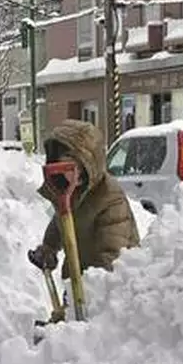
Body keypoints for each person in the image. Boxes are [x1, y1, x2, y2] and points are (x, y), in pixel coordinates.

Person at [27, 119, 139, 279]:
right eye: (67, 167)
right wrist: (48, 249)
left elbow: (113, 255)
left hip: (111, 285)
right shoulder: (71, 192)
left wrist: (90, 288)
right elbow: (61, 222)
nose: (74, 174)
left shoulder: (110, 199)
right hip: (77, 277)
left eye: (80, 166)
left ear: (92, 165)